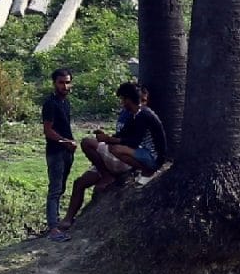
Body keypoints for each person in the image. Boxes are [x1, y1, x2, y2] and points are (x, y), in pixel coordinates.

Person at [65, 82, 167, 225]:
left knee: (115, 149)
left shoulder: (144, 115)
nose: (121, 103)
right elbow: (123, 134)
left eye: (122, 99)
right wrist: (107, 137)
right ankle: (68, 220)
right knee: (81, 181)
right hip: (142, 154)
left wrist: (109, 140)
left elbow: (131, 142)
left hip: (153, 157)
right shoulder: (134, 115)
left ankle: (146, 170)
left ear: (128, 99)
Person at [41, 66, 77, 241]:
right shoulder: (50, 103)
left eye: (67, 82)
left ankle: (56, 222)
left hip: (67, 150)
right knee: (55, 189)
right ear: (54, 83)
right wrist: (65, 142)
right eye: (61, 83)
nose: (65, 86)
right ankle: (53, 228)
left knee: (61, 187)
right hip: (56, 151)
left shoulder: (66, 102)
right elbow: (48, 131)